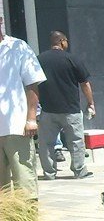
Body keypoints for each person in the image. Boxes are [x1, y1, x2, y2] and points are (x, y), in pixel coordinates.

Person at [37, 31, 96, 179]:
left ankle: (49, 173)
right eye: (66, 41)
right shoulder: (72, 59)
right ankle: (79, 171)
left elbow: (32, 84)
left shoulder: (39, 59)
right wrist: (90, 103)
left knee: (46, 144)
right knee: (76, 142)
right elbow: (85, 84)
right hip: (71, 109)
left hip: (48, 109)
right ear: (62, 41)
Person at [0, 16, 46, 200]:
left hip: (16, 127)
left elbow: (32, 84)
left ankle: (28, 217)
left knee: (24, 180)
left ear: (1, 20)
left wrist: (31, 118)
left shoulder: (18, 47)